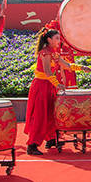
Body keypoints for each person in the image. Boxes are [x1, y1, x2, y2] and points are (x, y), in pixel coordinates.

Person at [24, 24, 70, 155]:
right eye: (56, 38)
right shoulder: (45, 53)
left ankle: (51, 139)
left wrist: (81, 67)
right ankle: (32, 145)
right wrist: (57, 84)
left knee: (51, 113)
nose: (59, 40)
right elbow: (48, 72)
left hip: (49, 86)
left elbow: (66, 65)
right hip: (41, 86)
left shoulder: (54, 52)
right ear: (49, 40)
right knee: (40, 115)